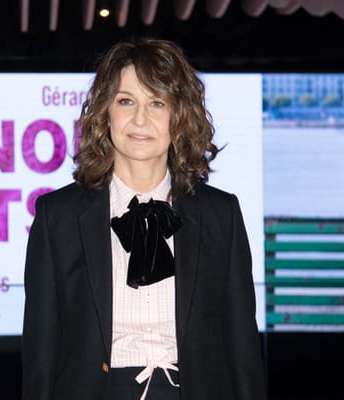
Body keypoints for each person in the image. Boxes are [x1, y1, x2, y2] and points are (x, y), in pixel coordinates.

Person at [21, 39, 267, 400]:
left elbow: (242, 345)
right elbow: (40, 354)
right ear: (105, 111)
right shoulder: (57, 215)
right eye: (126, 101)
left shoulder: (221, 213)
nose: (140, 119)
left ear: (180, 116)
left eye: (157, 103)